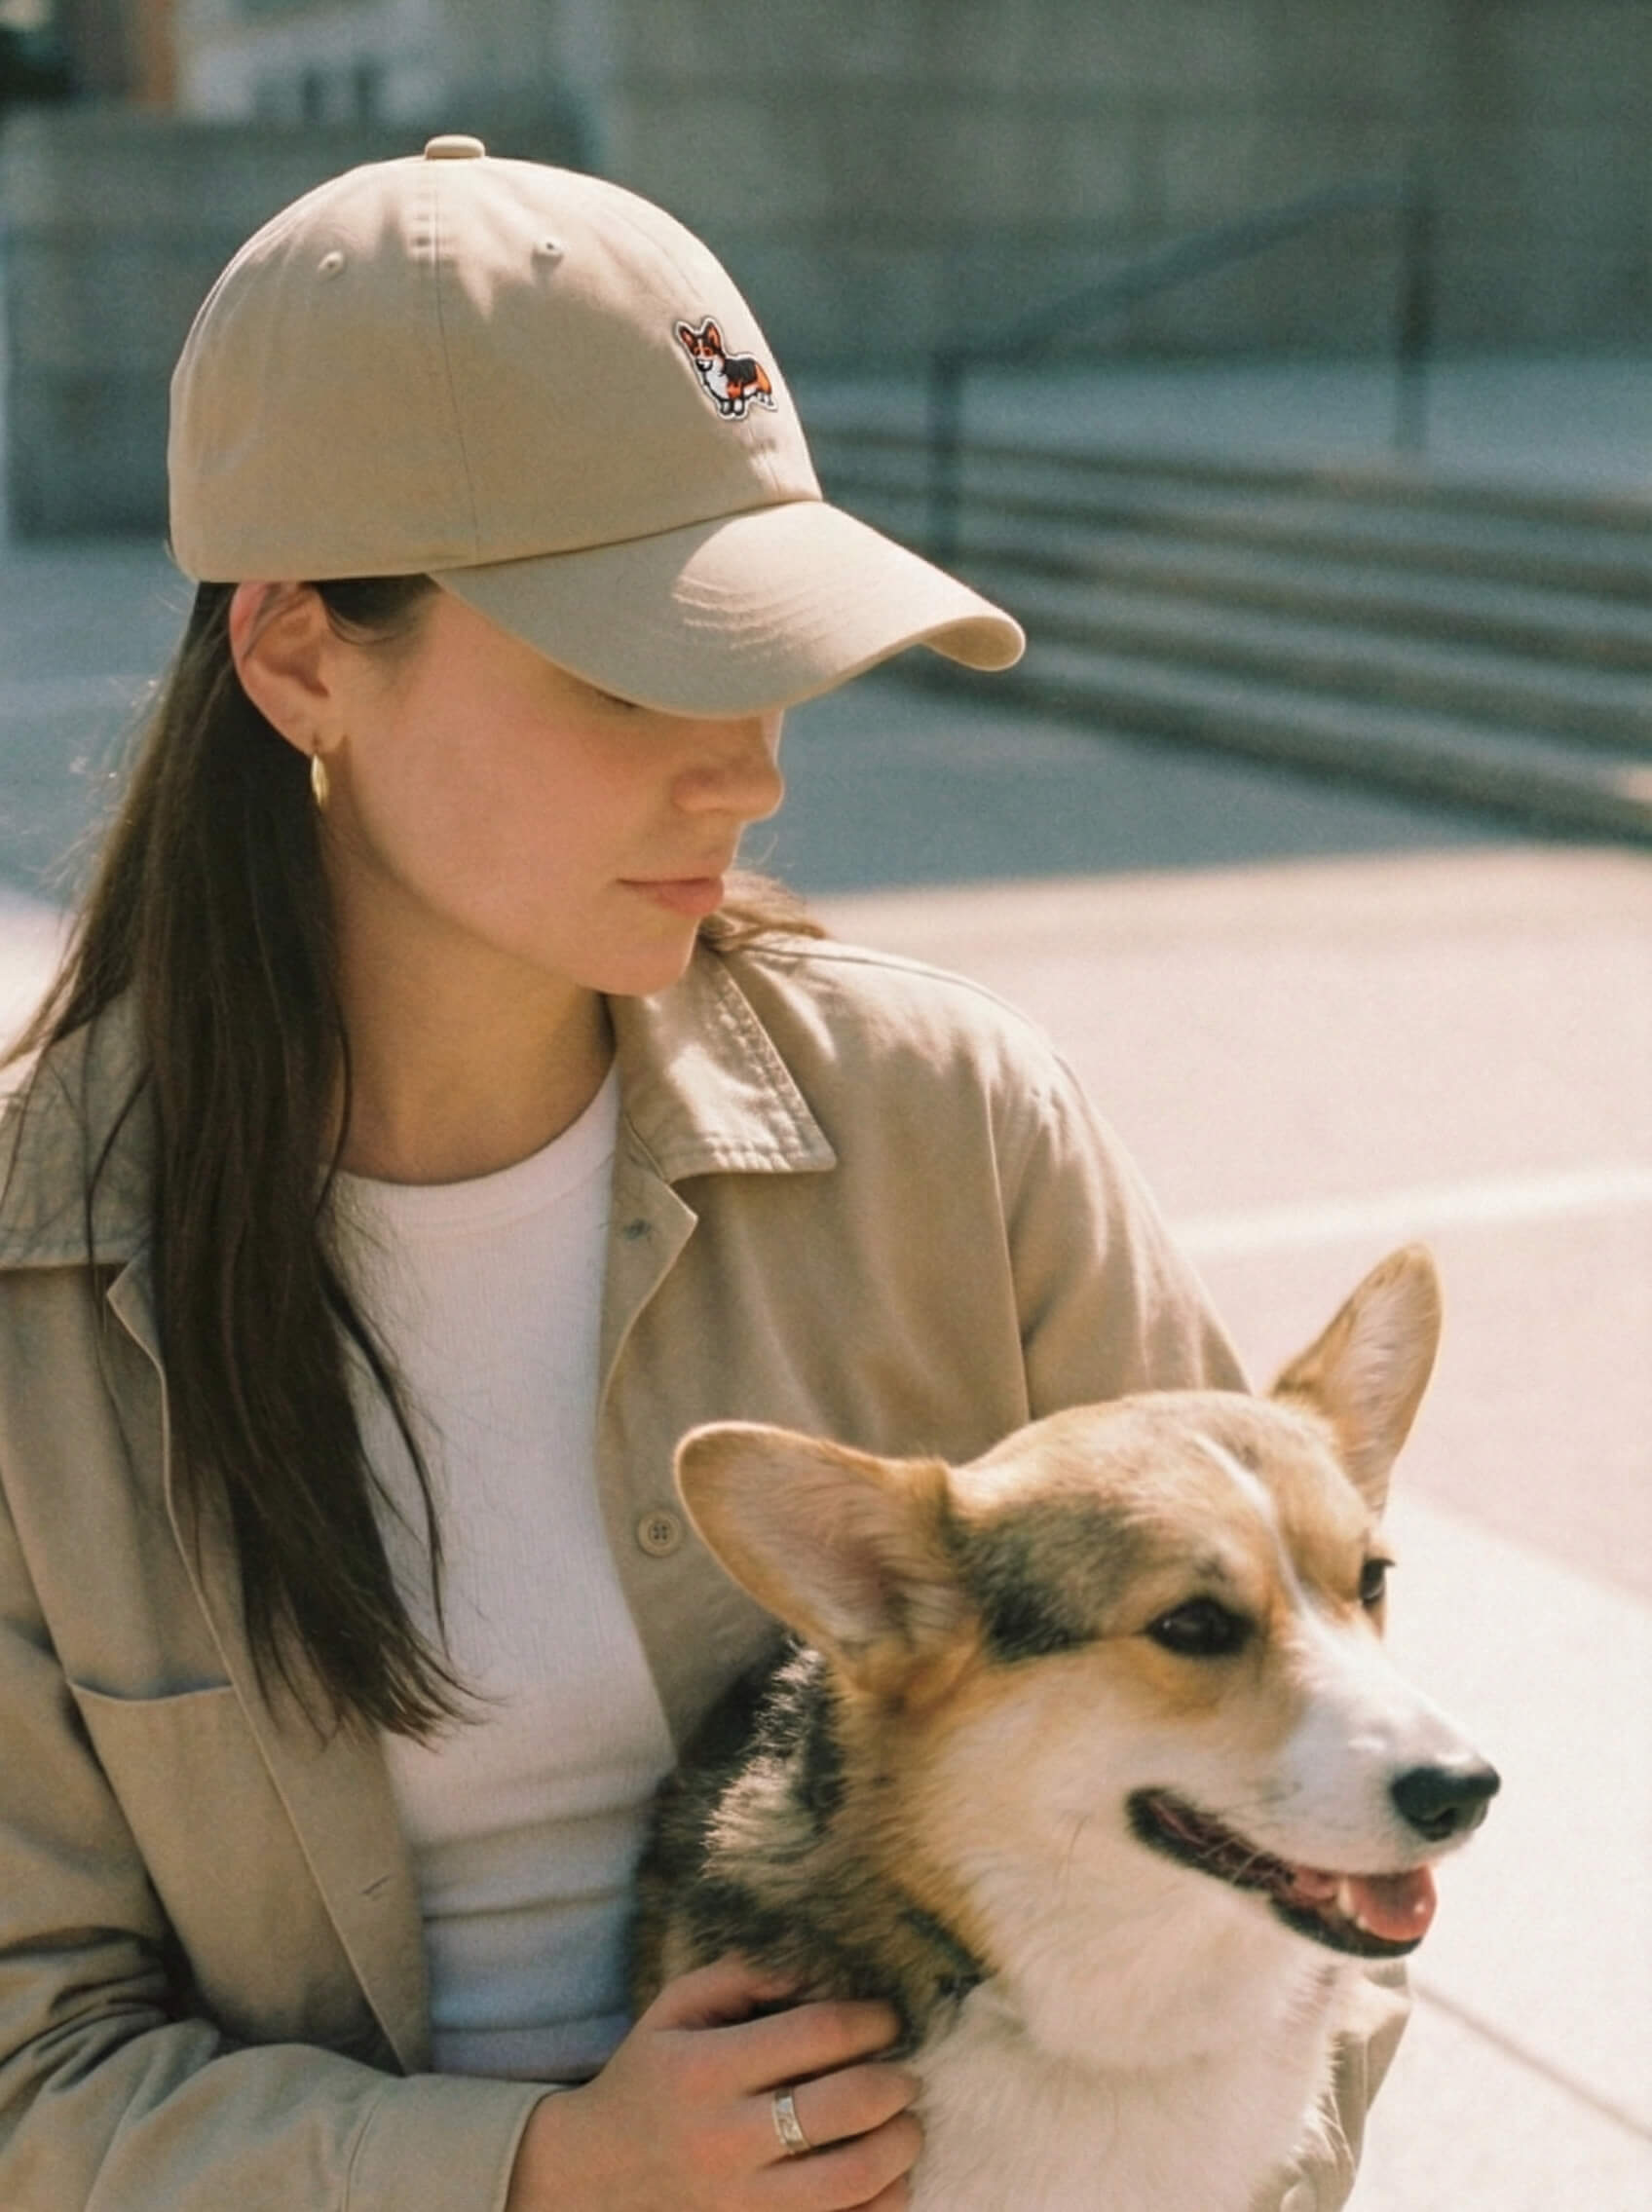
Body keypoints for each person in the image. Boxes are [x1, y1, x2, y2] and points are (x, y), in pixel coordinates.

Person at [0, 138, 1406, 2211]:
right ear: (299, 651)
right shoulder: (30, 1299)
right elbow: (36, 2074)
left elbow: (1319, 1808)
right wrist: (547, 2169)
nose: (745, 765)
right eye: (628, 665)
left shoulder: (956, 1121)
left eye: (761, 656)